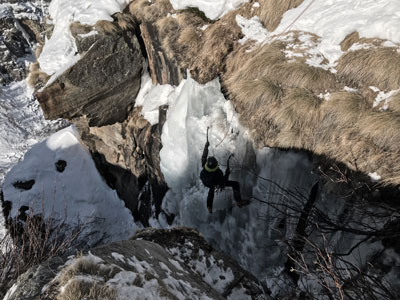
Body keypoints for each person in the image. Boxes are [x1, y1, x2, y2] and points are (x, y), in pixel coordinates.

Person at [200, 140, 242, 213]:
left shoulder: (204, 167)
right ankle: (239, 201)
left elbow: (204, 156)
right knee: (235, 184)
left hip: (206, 182)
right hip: (216, 183)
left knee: (211, 190)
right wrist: (227, 172)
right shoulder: (218, 173)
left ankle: (209, 206)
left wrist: (206, 146)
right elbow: (223, 180)